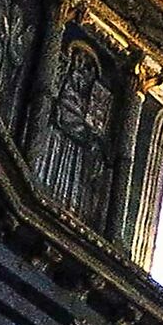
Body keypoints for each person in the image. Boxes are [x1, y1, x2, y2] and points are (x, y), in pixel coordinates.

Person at [30, 40, 112, 220]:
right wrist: (86, 132)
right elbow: (66, 112)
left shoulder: (89, 98)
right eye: (81, 64)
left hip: (77, 148)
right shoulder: (69, 84)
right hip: (59, 139)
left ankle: (72, 210)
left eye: (88, 69)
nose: (84, 72)